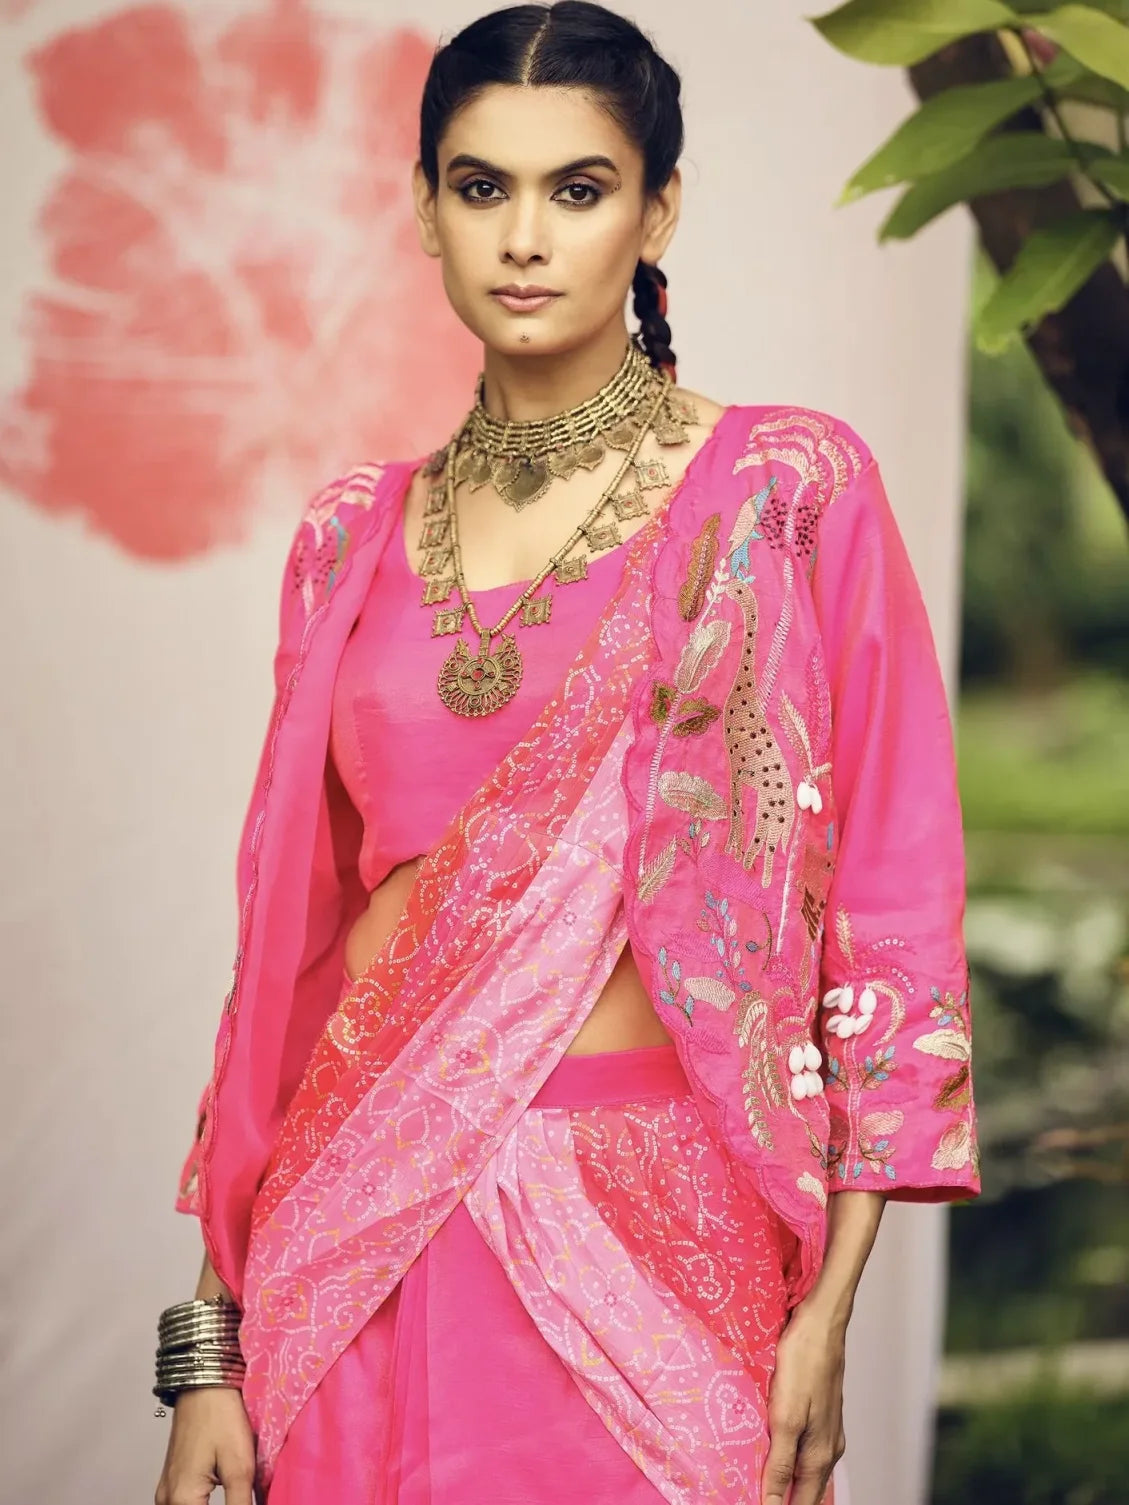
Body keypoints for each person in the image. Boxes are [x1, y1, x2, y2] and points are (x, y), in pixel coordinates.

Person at [154, 4, 981, 1503]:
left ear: (656, 208)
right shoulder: (348, 531)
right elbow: (282, 960)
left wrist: (829, 1309)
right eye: (482, 188)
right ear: (424, 210)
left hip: (663, 1220)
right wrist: (207, 1344)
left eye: (577, 189)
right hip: (356, 1224)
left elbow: (893, 894)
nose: (524, 237)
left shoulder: (784, 492)